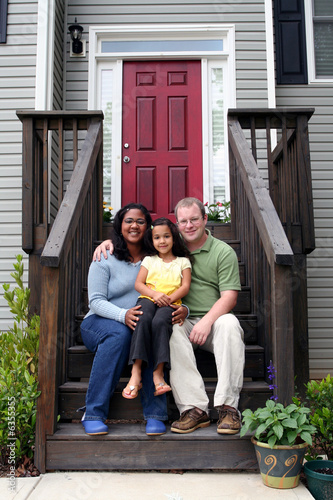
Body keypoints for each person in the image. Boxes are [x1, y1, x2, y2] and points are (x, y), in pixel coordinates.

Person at [94, 197, 245, 436]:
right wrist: (107, 242)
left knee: (230, 323)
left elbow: (230, 298)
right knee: (169, 331)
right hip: (178, 318)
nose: (189, 225)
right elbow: (132, 243)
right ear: (176, 225)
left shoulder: (222, 252)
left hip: (212, 321)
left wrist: (206, 322)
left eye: (195, 219)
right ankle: (194, 408)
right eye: (183, 221)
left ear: (205, 219)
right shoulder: (167, 246)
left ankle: (228, 407)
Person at [80, 203, 168, 437]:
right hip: (98, 323)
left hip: (138, 325)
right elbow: (95, 302)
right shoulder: (105, 256)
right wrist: (123, 315)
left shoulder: (156, 259)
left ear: (148, 227)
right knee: (120, 335)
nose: (134, 225)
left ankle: (156, 415)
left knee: (147, 331)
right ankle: (93, 413)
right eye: (129, 220)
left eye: (140, 221)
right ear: (119, 225)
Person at [122, 217, 191, 401]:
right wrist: (155, 295)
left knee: (160, 322)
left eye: (166, 236)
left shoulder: (183, 262)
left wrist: (168, 299)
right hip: (148, 298)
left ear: (174, 238)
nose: (162, 241)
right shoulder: (149, 260)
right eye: (157, 237)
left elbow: (185, 287)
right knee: (143, 318)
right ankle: (136, 371)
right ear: (151, 240)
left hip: (171, 302)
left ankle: (158, 372)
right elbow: (139, 283)